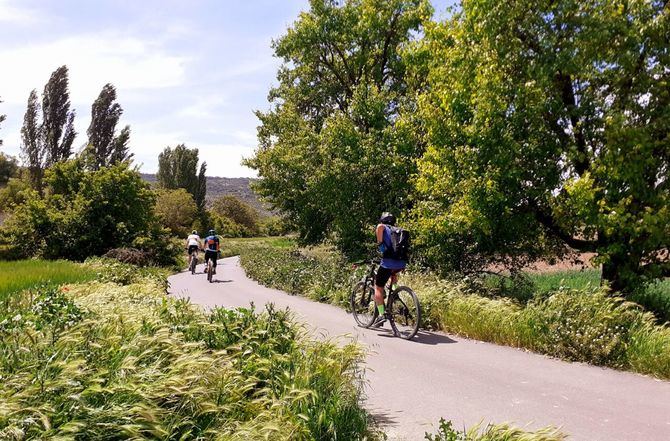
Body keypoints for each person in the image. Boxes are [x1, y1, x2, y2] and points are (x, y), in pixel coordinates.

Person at [372, 212, 406, 327]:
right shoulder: (398, 230)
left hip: (388, 262)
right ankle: (396, 295)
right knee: (393, 273)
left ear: (382, 220)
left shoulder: (381, 227)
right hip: (401, 263)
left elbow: (381, 246)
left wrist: (381, 246)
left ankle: (381, 315)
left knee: (378, 286)